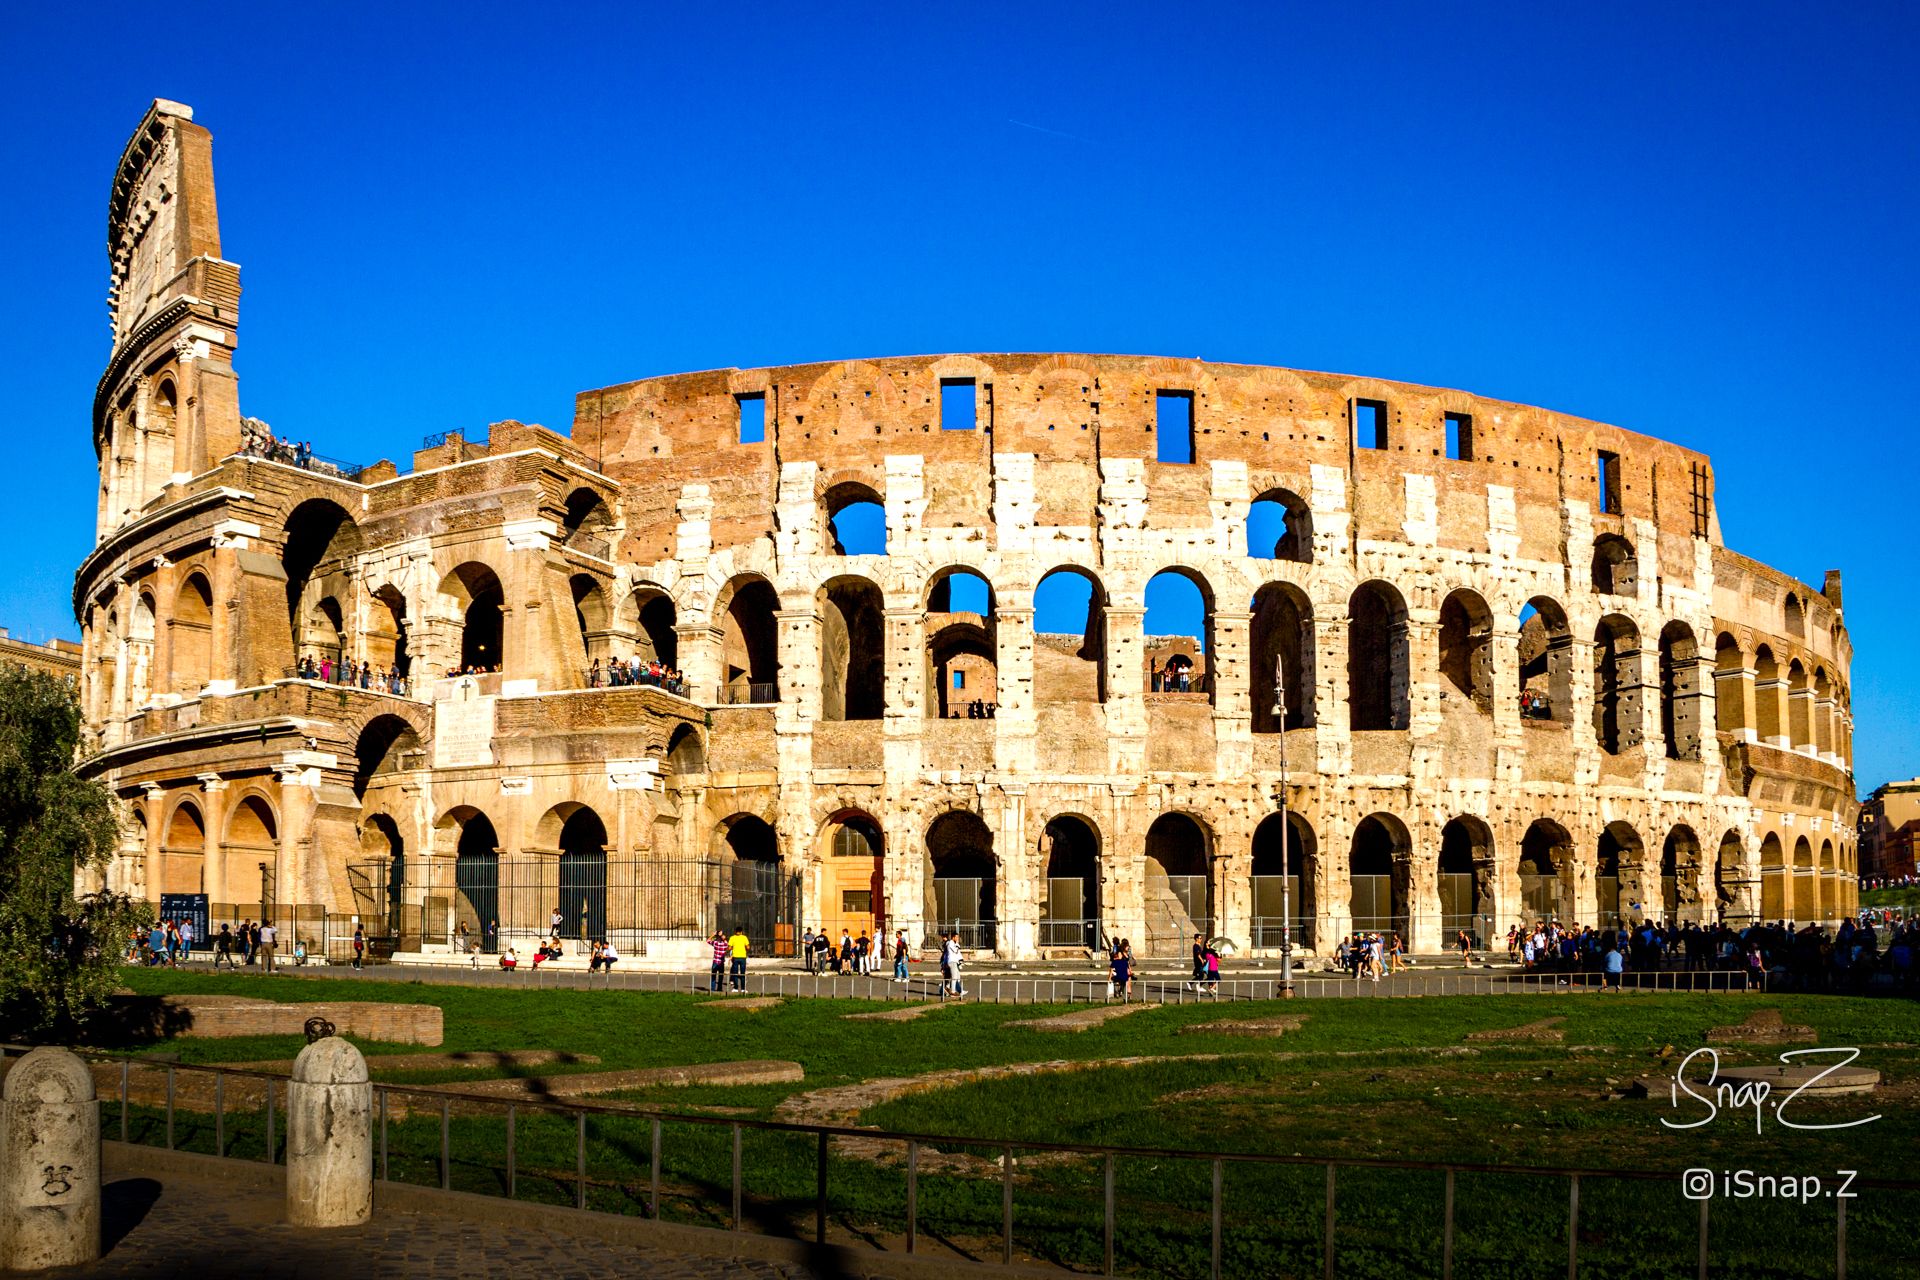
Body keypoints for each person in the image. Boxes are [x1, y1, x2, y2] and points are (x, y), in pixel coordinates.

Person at [727, 926, 750, 993]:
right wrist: (744, 948)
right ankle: (743, 989)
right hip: (743, 957)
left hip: (735, 957)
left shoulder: (732, 938)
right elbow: (748, 947)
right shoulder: (744, 937)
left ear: (735, 931)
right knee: (743, 973)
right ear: (741, 931)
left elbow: (729, 948)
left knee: (735, 973)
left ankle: (736, 988)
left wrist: (733, 948)